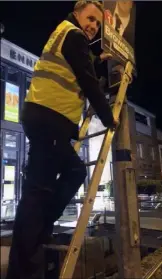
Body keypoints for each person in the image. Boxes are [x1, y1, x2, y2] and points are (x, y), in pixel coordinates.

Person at [6, 1, 115, 279]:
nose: (93, 26)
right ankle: (24, 267)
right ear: (77, 13)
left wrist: (95, 62)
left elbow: (81, 69)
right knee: (40, 190)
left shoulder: (67, 36)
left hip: (44, 119)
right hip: (49, 119)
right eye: (90, 18)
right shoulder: (73, 34)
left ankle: (38, 233)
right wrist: (108, 117)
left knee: (65, 175)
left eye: (97, 25)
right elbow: (88, 81)